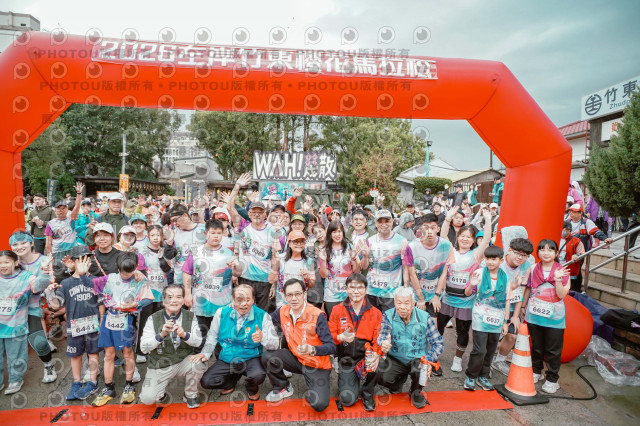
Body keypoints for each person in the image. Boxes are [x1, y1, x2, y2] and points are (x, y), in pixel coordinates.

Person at [262, 278, 336, 411]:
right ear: (285, 296)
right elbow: (264, 318)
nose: (294, 298)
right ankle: (283, 386)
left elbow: (331, 346)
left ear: (304, 293)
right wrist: (242, 308)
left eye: (297, 294)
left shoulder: (317, 315)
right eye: (290, 295)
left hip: (316, 364)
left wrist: (312, 349)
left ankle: (315, 385)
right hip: (296, 358)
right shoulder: (282, 311)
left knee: (319, 405)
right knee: (267, 356)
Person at [90, 252, 153, 407]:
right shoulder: (110, 278)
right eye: (123, 273)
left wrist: (135, 304)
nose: (125, 276)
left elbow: (148, 298)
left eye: (129, 273)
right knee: (109, 354)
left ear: (135, 267)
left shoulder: (140, 279)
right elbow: (91, 283)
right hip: (109, 318)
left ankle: (129, 385)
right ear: (117, 267)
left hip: (126, 319)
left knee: (128, 352)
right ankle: (108, 387)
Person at [198, 284, 279, 400]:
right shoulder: (221, 313)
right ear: (233, 299)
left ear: (253, 300)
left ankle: (251, 386)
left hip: (251, 358)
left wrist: (262, 338)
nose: (243, 304)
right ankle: (230, 381)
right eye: (239, 300)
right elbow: (212, 336)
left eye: (247, 299)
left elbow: (275, 344)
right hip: (228, 357)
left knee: (258, 376)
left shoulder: (263, 316)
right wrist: (205, 354)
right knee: (206, 381)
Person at [436, 206, 492, 373]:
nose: (465, 239)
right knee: (437, 327)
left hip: (465, 301)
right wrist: (448, 218)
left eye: (469, 237)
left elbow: (486, 240)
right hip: (447, 299)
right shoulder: (451, 251)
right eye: (462, 236)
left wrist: (488, 219)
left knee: (462, 331)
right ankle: (434, 353)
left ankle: (458, 359)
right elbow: (443, 236)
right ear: (458, 237)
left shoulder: (476, 255)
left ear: (473, 240)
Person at [138, 284, 205, 409]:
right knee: (148, 399)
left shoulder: (190, 316)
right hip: (160, 364)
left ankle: (190, 394)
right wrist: (161, 335)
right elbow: (143, 348)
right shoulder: (153, 319)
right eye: (169, 297)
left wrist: (184, 335)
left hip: (183, 360)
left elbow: (198, 341)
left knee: (198, 363)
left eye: (178, 297)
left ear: (183, 300)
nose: (174, 300)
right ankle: (160, 393)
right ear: (163, 301)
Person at [376, 287, 444, 408]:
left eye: (406, 303)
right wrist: (383, 343)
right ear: (394, 302)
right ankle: (397, 382)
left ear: (413, 303)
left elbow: (438, 343)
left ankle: (415, 391)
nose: (402, 307)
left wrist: (428, 360)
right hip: (396, 358)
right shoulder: (388, 315)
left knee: (421, 370)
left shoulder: (425, 317)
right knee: (380, 373)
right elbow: (383, 336)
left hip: (418, 358)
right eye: (399, 303)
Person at [49, 246, 101, 400]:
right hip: (74, 326)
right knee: (75, 355)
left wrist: (101, 320)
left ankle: (93, 381)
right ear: (73, 262)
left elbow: (101, 303)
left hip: (92, 324)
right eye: (81, 259)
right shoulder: (65, 283)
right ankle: (76, 382)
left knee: (93, 353)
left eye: (88, 259)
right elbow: (56, 305)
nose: (85, 262)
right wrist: (50, 292)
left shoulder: (95, 280)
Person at [328, 273, 381, 411]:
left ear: (366, 289)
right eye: (352, 287)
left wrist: (376, 355)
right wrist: (340, 337)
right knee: (347, 399)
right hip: (347, 359)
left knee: (381, 362)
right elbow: (329, 337)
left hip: (366, 356)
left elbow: (378, 340)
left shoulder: (376, 313)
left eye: (360, 287)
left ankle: (367, 392)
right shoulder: (337, 310)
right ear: (346, 289)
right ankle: (350, 379)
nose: (356, 291)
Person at [0, 250, 51, 394]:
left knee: (16, 355)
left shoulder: (26, 277)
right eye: (0, 263)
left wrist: (45, 272)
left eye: (6, 262)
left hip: (16, 325)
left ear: (16, 262)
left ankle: (15, 380)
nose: (2, 265)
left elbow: (38, 286)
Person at [182, 219, 237, 352]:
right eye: (212, 233)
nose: (216, 236)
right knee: (200, 333)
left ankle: (220, 361)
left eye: (219, 233)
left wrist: (236, 267)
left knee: (221, 334)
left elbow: (236, 276)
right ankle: (198, 360)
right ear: (206, 233)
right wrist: (188, 294)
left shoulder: (228, 253)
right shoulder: (196, 252)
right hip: (200, 302)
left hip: (222, 303)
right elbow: (187, 273)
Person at [523, 239, 570, 394]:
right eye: (542, 249)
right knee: (536, 346)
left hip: (554, 318)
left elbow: (561, 295)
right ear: (538, 252)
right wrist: (523, 306)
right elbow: (528, 289)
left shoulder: (563, 270)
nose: (546, 253)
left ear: (556, 253)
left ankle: (552, 379)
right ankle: (536, 371)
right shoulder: (533, 268)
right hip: (534, 315)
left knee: (553, 350)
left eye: (550, 250)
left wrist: (558, 279)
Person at [9, 231, 57, 383]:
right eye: (15, 244)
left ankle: (48, 365)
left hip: (33, 306)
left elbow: (47, 283)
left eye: (23, 243)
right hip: (11, 309)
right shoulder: (10, 261)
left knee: (39, 342)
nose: (19, 247)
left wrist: (49, 293)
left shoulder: (43, 260)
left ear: (31, 243)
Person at [464, 245, 510, 391]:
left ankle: (483, 376)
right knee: (479, 350)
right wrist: (471, 285)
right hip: (480, 318)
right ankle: (471, 376)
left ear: (501, 260)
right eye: (488, 258)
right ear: (484, 259)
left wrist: (505, 322)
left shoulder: (505, 277)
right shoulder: (478, 273)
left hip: (497, 319)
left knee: (490, 350)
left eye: (494, 259)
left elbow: (507, 300)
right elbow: (467, 293)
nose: (490, 262)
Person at [491, 233, 534, 376]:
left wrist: (516, 315)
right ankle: (486, 363)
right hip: (494, 306)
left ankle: (499, 360)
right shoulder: (499, 263)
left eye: (524, 255)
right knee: (491, 336)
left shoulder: (526, 265)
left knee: (512, 336)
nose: (520, 257)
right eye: (517, 253)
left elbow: (521, 291)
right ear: (509, 250)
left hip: (513, 306)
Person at [230, 199, 285, 312]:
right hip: (245, 278)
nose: (257, 214)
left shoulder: (272, 230)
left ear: (265, 214)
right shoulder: (243, 227)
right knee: (244, 309)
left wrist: (273, 282)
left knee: (261, 312)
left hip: (264, 280)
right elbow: (230, 208)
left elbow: (275, 256)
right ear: (249, 213)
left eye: (260, 212)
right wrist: (236, 189)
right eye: (254, 212)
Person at [404, 214, 455, 323]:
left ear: (438, 229)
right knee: (415, 324)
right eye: (426, 228)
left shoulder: (446, 246)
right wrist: (420, 298)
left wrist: (436, 296)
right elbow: (412, 274)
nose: (429, 231)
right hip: (415, 293)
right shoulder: (411, 246)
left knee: (432, 324)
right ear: (421, 229)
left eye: (433, 227)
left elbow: (444, 274)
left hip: (435, 292)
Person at [136, 224, 173, 363]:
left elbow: (168, 270)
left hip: (161, 292)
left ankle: (157, 348)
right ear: (148, 236)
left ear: (162, 236)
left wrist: (162, 258)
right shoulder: (142, 252)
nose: (156, 238)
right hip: (147, 293)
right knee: (144, 321)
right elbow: (140, 273)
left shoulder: (165, 251)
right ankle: (141, 351)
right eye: (152, 235)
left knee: (159, 321)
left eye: (158, 235)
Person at [360, 209, 409, 313]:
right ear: (375, 223)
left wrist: (405, 288)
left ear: (392, 221)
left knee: (389, 320)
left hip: (391, 293)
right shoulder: (370, 240)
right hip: (372, 291)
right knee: (372, 320)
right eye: (380, 222)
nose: (384, 224)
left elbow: (406, 268)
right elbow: (364, 267)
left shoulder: (402, 241)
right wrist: (365, 256)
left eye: (387, 221)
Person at [319, 222, 361, 317]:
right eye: (334, 232)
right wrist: (323, 260)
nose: (337, 234)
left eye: (339, 231)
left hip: (349, 293)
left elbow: (357, 271)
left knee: (349, 320)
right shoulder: (325, 250)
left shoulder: (350, 247)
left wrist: (354, 259)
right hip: (331, 294)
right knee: (334, 320)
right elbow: (323, 275)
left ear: (343, 232)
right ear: (330, 234)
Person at [164, 204, 206, 285]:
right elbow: (168, 256)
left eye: (176, 220)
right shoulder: (174, 233)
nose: (175, 223)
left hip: (200, 281)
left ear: (185, 216)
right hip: (180, 281)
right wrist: (169, 242)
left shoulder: (203, 229)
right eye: (172, 221)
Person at [273, 230, 315, 308]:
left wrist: (307, 278)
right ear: (289, 243)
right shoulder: (280, 258)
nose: (299, 244)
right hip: (282, 303)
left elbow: (311, 284)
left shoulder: (309, 261)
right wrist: (273, 287)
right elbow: (273, 277)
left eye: (302, 241)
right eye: (296, 242)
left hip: (300, 303)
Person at [45, 185, 84, 260]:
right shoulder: (50, 224)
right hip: (57, 252)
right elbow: (48, 243)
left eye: (63, 208)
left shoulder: (71, 219)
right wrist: (50, 256)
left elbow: (77, 206)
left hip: (72, 250)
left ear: (67, 209)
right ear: (55, 210)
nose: (61, 210)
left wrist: (79, 194)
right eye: (59, 208)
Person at [560, 221, 586, 293]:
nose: (562, 231)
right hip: (558, 269)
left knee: (570, 290)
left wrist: (576, 255)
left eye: (564, 229)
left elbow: (582, 253)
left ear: (569, 230)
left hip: (570, 270)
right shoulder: (556, 238)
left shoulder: (576, 241)